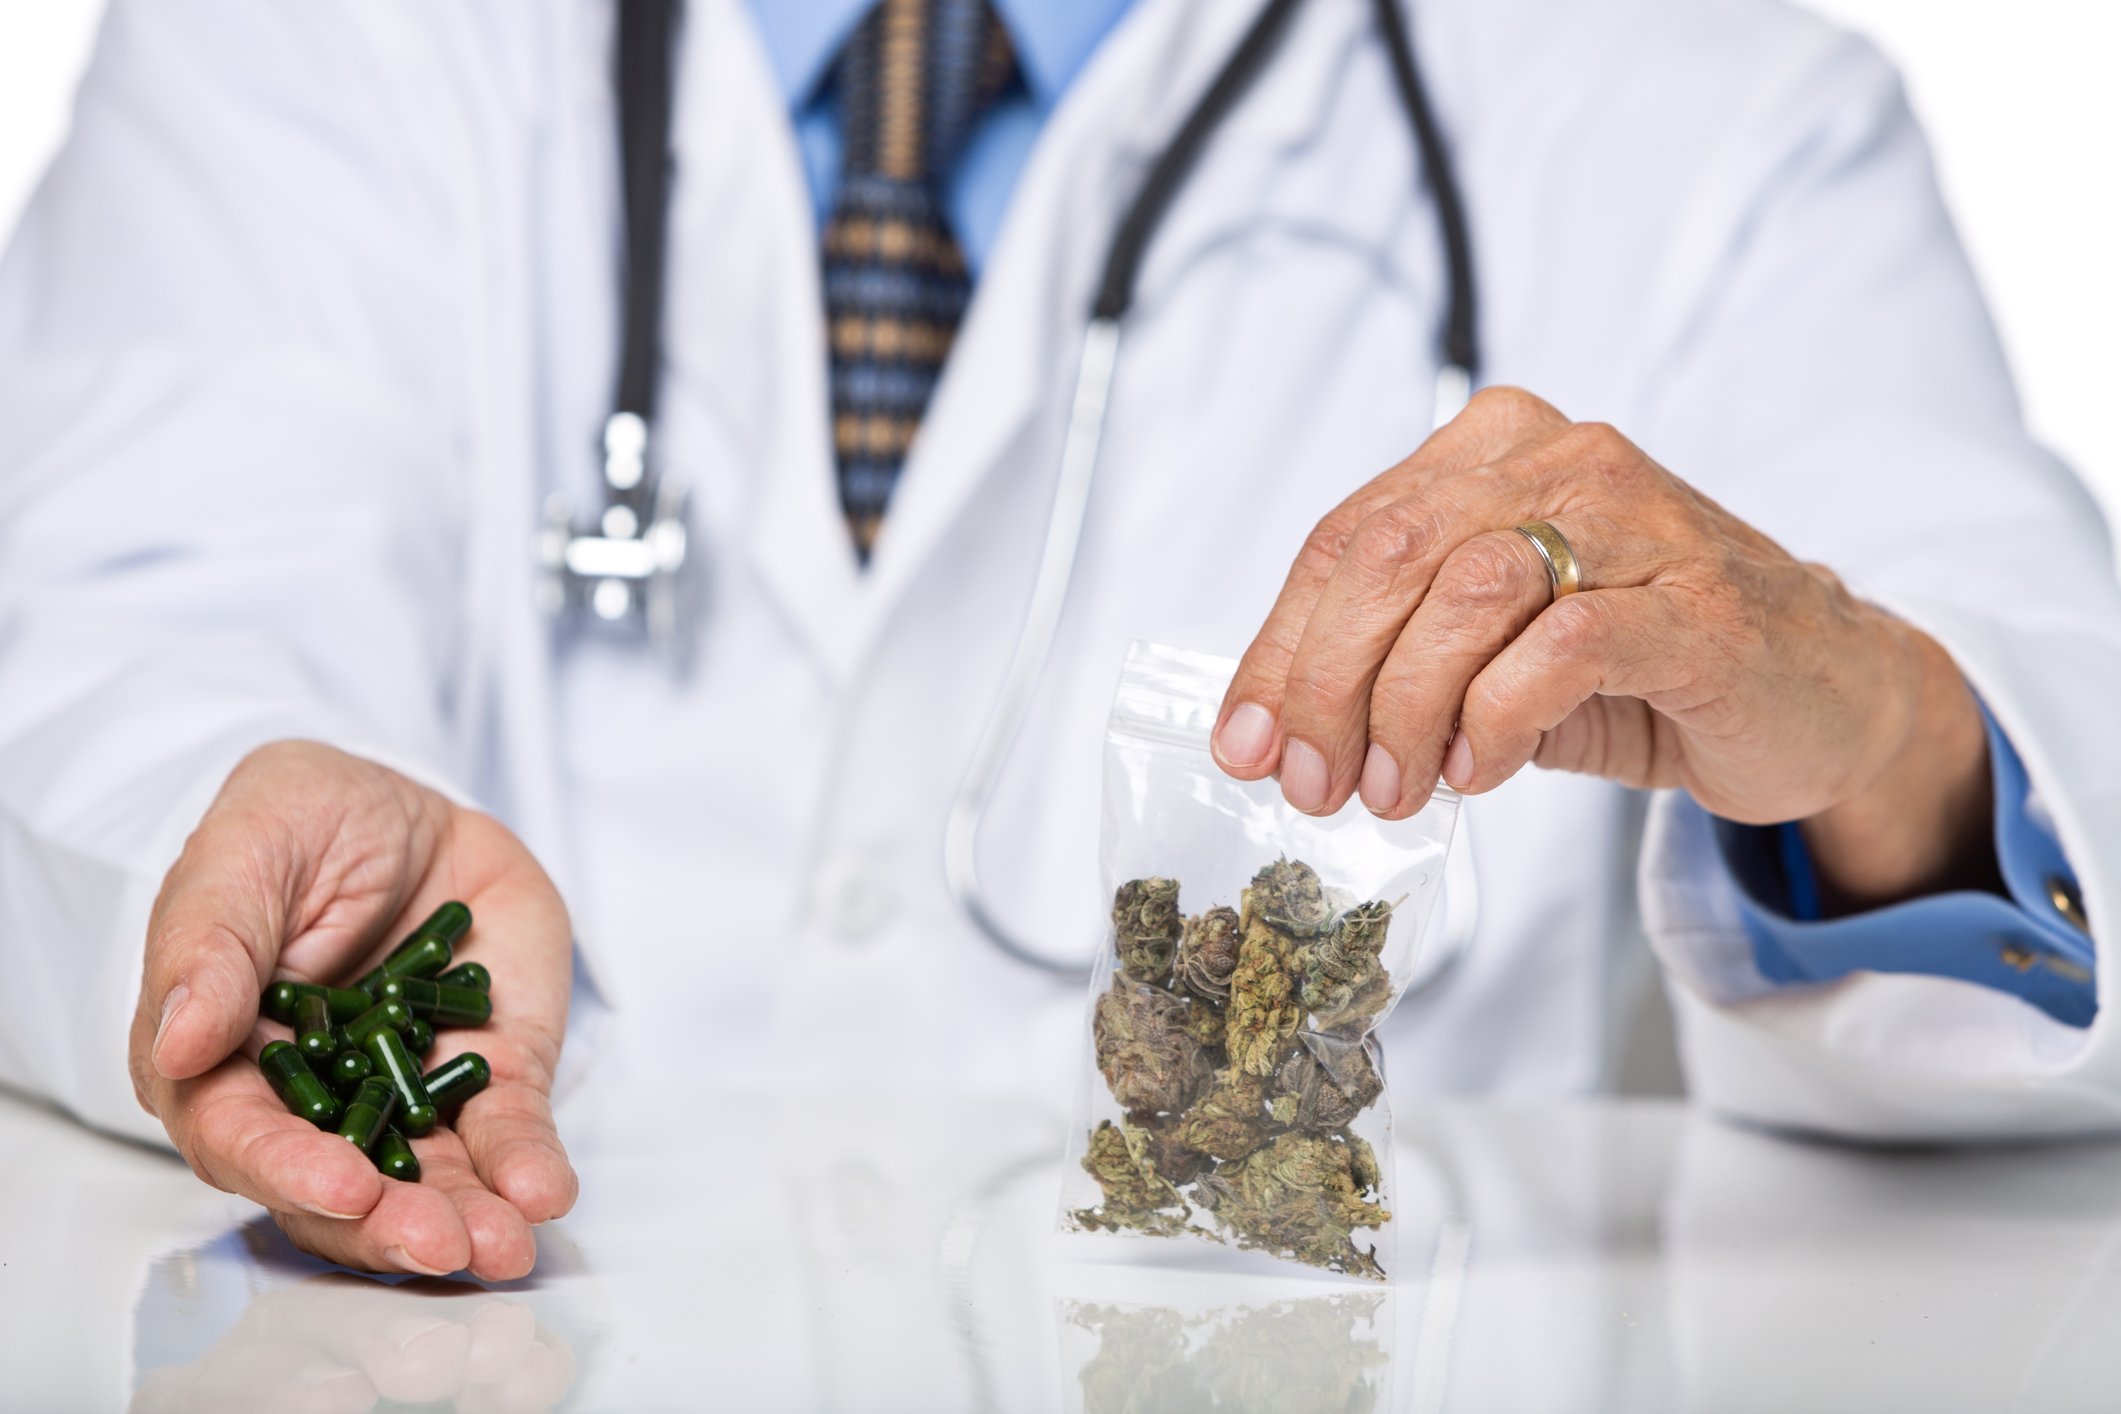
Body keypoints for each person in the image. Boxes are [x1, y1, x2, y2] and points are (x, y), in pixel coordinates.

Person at [0, 0, 2114, 1283]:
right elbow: (100, 631)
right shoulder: (299, 44)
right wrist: (219, 814)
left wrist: (1889, 742)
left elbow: (2042, 715)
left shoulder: (1711, 120)